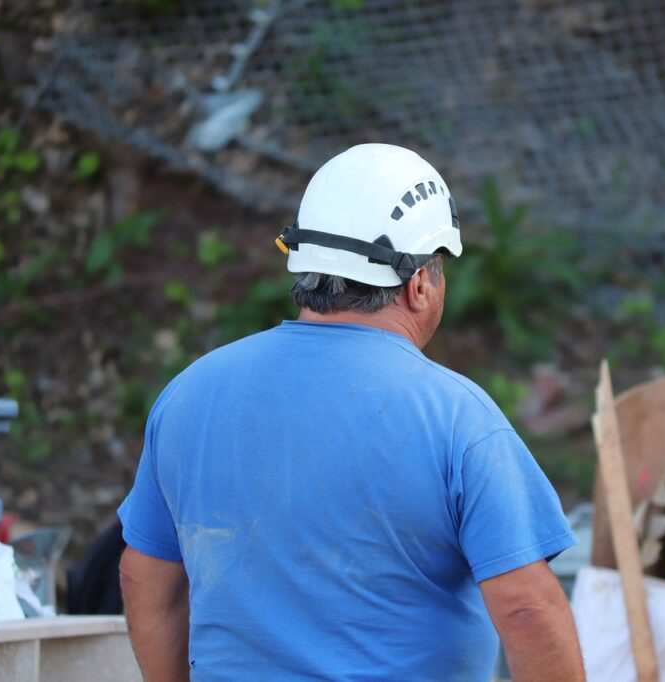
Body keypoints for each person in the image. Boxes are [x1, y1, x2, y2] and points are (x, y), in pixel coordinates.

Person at [117, 143, 585, 681]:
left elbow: (144, 578)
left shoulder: (189, 395)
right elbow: (527, 609)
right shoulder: (456, 418)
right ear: (419, 284)